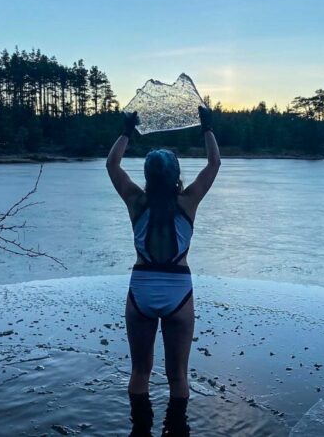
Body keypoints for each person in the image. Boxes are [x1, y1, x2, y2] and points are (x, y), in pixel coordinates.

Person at [106, 105, 220, 436]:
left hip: (140, 289)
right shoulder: (188, 202)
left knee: (140, 371)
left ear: (148, 175)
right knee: (178, 377)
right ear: (175, 176)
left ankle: (140, 430)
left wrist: (127, 131)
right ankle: (177, 430)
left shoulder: (135, 200)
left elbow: (112, 164)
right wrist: (206, 128)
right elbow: (214, 164)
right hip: (178, 293)